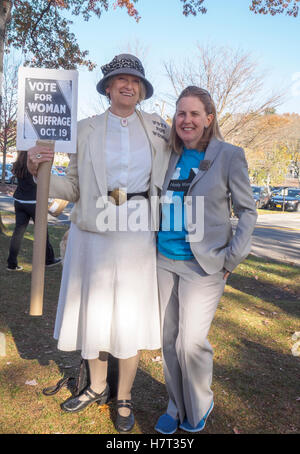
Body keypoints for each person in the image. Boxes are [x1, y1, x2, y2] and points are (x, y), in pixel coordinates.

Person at [27, 54, 171, 433]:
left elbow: (181, 161)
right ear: (107, 87)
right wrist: (38, 169)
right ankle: (96, 386)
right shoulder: (85, 128)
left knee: (128, 315)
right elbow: (72, 187)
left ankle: (123, 395)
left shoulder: (158, 126)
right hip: (92, 232)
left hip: (138, 230)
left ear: (141, 89)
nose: (128, 85)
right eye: (120, 79)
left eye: (135, 80)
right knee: (94, 312)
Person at [154, 86, 257, 434]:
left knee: (190, 342)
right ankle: (175, 405)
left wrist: (231, 260)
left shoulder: (229, 155)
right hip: (164, 260)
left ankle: (199, 404)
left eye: (195, 114)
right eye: (181, 113)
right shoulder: (167, 154)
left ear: (209, 118)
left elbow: (247, 211)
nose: (187, 120)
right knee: (168, 341)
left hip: (205, 266)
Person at [6, 150, 61, 271]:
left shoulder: (18, 164)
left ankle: (11, 263)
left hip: (19, 201)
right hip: (34, 202)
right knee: (42, 232)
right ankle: (49, 259)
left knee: (18, 233)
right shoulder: (35, 164)